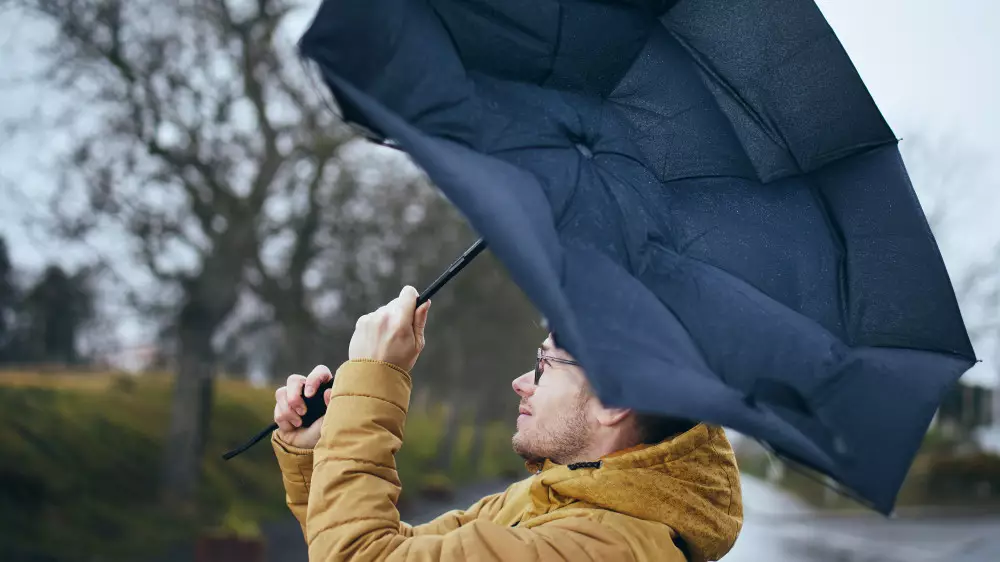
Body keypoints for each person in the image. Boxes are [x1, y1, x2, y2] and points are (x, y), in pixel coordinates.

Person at [271, 286, 743, 562]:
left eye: (545, 364)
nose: (522, 382)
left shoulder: (598, 549)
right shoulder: (555, 500)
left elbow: (361, 554)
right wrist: (318, 451)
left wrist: (374, 376)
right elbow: (390, 546)